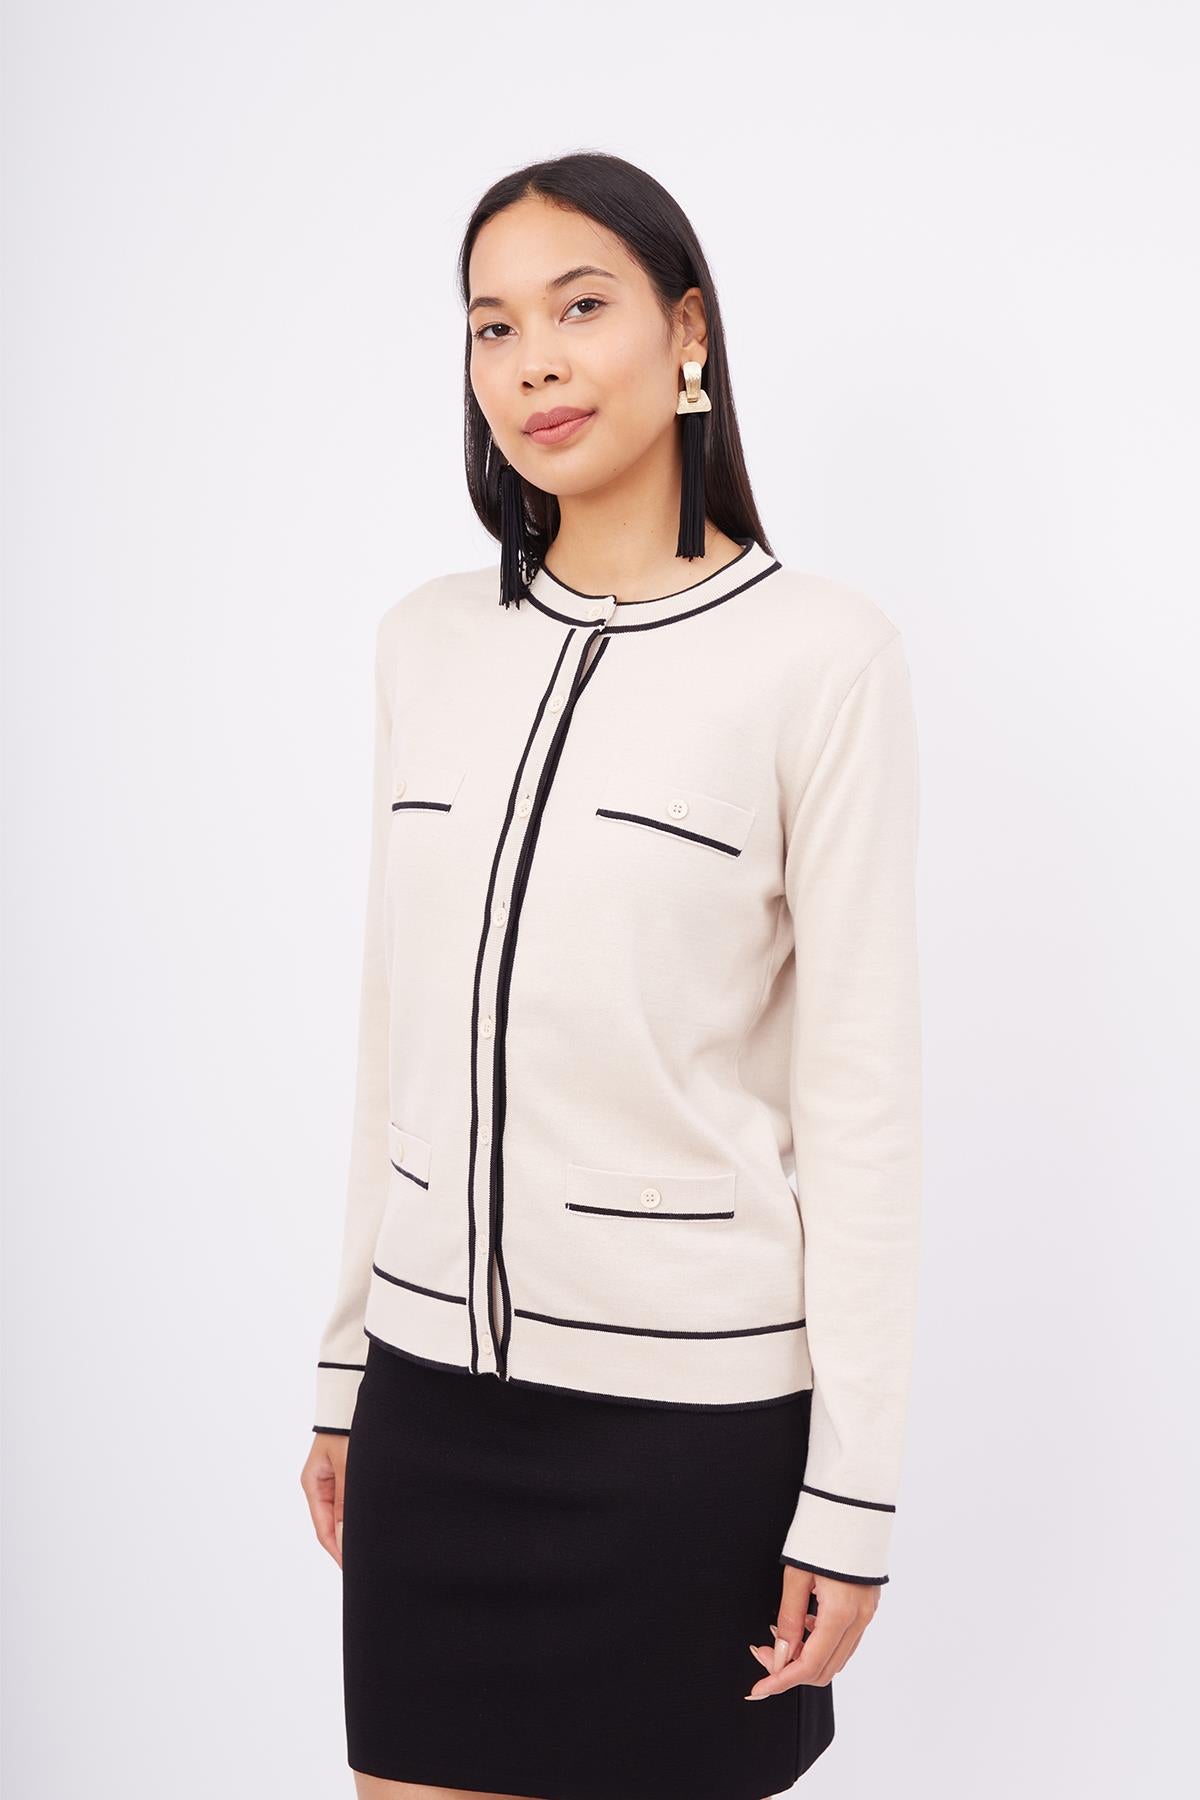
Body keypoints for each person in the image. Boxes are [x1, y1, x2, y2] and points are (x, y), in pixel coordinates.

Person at [299, 149, 923, 1800]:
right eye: (493, 326)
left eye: (581, 308)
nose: (535, 363)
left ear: (687, 331)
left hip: (690, 1440)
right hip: (433, 1413)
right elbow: (392, 1036)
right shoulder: (427, 642)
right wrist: (348, 1367)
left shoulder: (820, 656)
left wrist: (852, 1492)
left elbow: (860, 1102)